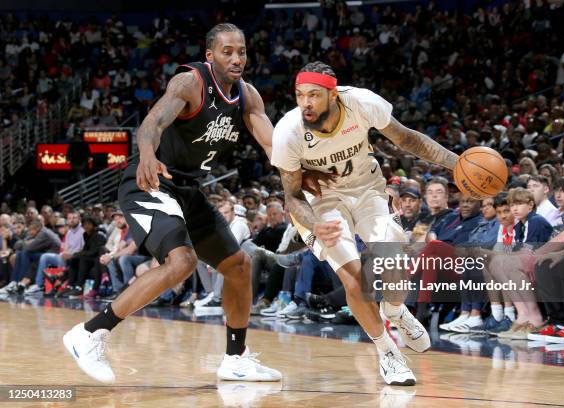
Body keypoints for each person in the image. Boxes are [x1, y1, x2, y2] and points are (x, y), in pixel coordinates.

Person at [62, 23, 315, 384]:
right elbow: (153, 121)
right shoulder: (191, 82)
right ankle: (89, 333)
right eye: (227, 51)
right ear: (210, 55)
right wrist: (147, 154)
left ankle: (235, 359)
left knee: (239, 267)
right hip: (150, 180)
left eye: (241, 51)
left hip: (187, 190)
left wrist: (298, 184)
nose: (237, 58)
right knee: (181, 261)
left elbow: (273, 146)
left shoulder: (248, 96)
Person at [271, 61, 458, 385]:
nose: (306, 103)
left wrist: (455, 163)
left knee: (394, 260)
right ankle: (388, 352)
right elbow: (293, 197)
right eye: (300, 95)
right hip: (323, 204)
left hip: (368, 190)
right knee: (355, 280)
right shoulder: (288, 130)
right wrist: (313, 225)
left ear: (333, 93)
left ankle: (396, 311)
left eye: (314, 95)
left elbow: (407, 140)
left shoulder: (361, 102)